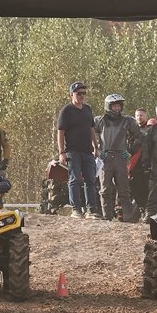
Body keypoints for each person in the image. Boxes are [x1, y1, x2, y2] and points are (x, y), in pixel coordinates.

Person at [95, 93, 144, 222]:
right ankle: (107, 216)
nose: (117, 108)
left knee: (124, 189)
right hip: (105, 157)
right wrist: (96, 150)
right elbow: (89, 134)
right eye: (114, 106)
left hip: (121, 157)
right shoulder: (99, 120)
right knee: (105, 189)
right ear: (108, 106)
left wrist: (130, 151)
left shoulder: (128, 121)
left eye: (118, 106)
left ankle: (128, 216)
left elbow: (140, 136)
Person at [56, 81, 102, 219]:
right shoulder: (66, 111)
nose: (81, 96)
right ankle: (76, 209)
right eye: (78, 93)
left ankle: (91, 210)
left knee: (90, 180)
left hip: (87, 151)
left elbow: (91, 129)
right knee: (75, 179)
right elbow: (60, 132)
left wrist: (96, 147)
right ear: (71, 95)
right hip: (72, 151)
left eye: (83, 93)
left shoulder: (87, 109)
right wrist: (61, 152)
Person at [129, 109, 151, 215]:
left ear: (146, 116)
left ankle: (146, 210)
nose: (139, 117)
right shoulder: (131, 131)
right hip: (134, 164)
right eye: (137, 115)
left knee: (146, 189)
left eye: (141, 115)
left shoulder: (151, 129)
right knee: (135, 188)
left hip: (147, 163)